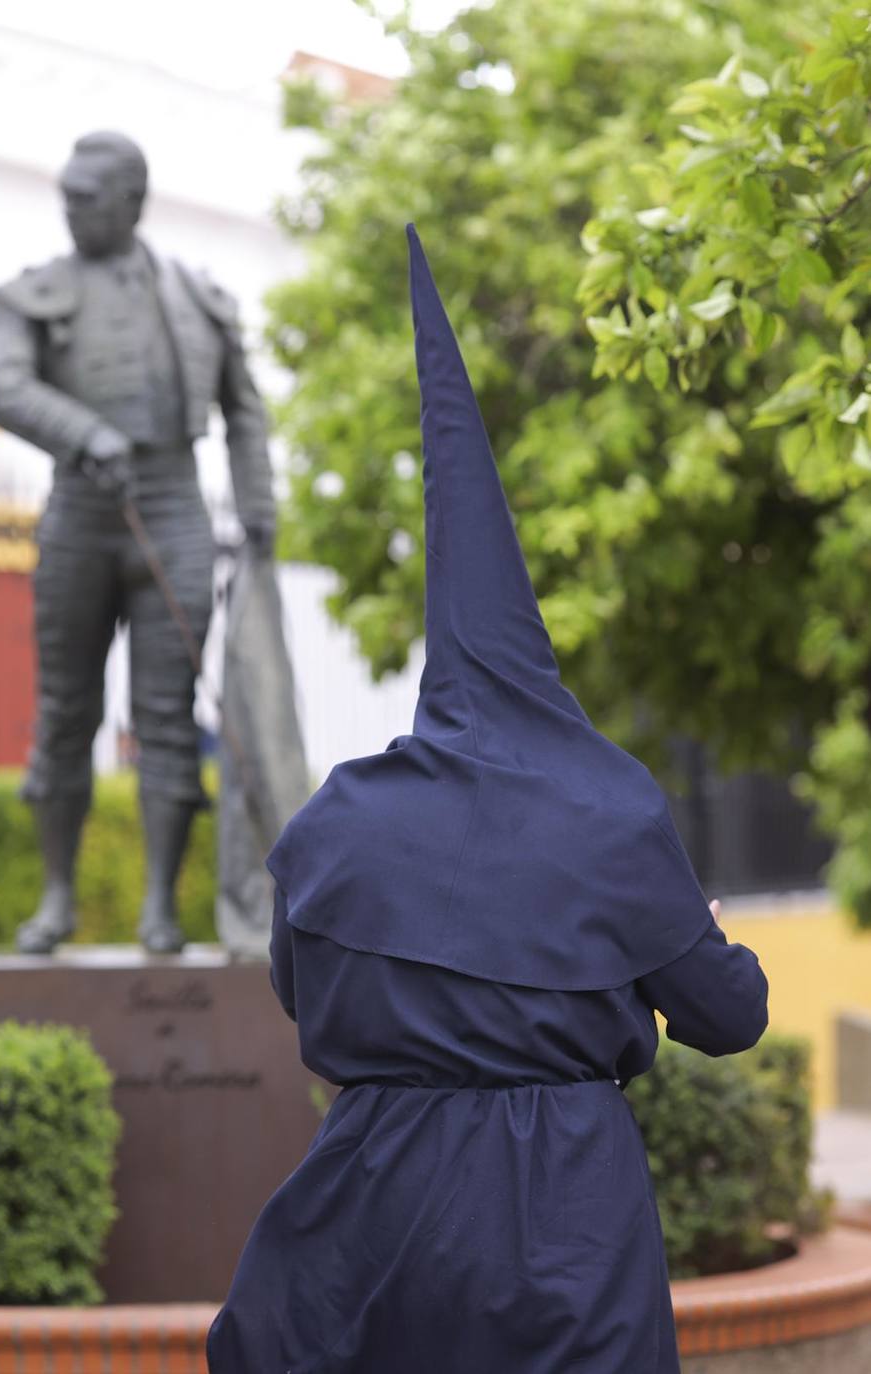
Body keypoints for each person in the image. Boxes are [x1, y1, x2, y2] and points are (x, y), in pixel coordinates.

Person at [207, 227, 768, 1373]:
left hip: (370, 1218)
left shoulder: (338, 822)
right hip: (565, 1222)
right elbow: (730, 1014)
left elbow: (295, 989)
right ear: (536, 655)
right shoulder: (609, 807)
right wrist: (700, 932)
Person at [0, 131, 276, 955]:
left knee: (166, 719)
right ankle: (59, 899)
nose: (69, 206)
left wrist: (259, 512)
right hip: (78, 514)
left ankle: (159, 910)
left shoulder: (193, 296)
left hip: (173, 511)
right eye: (64, 192)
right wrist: (82, 432)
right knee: (66, 712)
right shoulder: (34, 293)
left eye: (87, 195)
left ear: (132, 201)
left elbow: (244, 410)